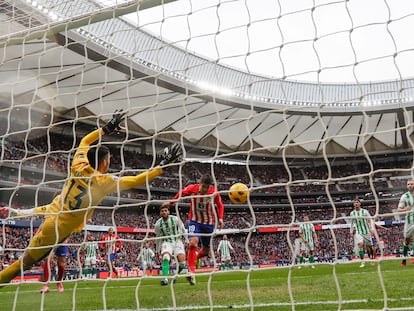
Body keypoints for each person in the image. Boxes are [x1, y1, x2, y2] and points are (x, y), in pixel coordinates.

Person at [0, 110, 182, 286]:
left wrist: (107, 128)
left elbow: (86, 140)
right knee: (23, 264)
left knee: (25, 262)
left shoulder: (78, 163)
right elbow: (137, 180)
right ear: (104, 163)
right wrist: (162, 166)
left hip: (53, 215)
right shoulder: (103, 182)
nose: (109, 163)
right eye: (109, 160)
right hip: (57, 229)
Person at [161, 173, 225, 285]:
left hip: (208, 224)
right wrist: (171, 203)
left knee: (206, 251)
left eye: (207, 187)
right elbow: (181, 194)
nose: (205, 189)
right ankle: (191, 273)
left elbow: (220, 205)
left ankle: (195, 258)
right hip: (194, 221)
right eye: (203, 186)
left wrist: (220, 218)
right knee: (192, 243)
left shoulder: (214, 192)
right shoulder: (192, 188)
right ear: (199, 184)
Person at [154, 205, 188, 286]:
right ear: (160, 213)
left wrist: (187, 241)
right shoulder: (158, 225)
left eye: (166, 210)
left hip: (177, 241)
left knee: (182, 264)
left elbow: (183, 229)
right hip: (167, 242)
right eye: (162, 211)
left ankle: (175, 276)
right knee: (166, 257)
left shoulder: (175, 219)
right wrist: (157, 250)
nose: (164, 212)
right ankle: (165, 279)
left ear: (168, 212)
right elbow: (158, 238)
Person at [349, 198, 375, 268]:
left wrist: (372, 229)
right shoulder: (352, 213)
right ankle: (362, 262)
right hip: (358, 231)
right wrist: (351, 231)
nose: (356, 204)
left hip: (366, 231)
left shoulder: (365, 211)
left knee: (370, 246)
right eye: (354, 203)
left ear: (360, 203)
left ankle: (372, 258)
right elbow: (351, 223)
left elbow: (370, 219)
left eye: (357, 202)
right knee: (360, 245)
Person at [397, 179, 414, 267]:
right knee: (406, 241)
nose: (410, 185)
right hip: (409, 221)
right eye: (408, 184)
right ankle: (404, 259)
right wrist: (405, 209)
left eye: (411, 184)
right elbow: (398, 209)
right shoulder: (404, 196)